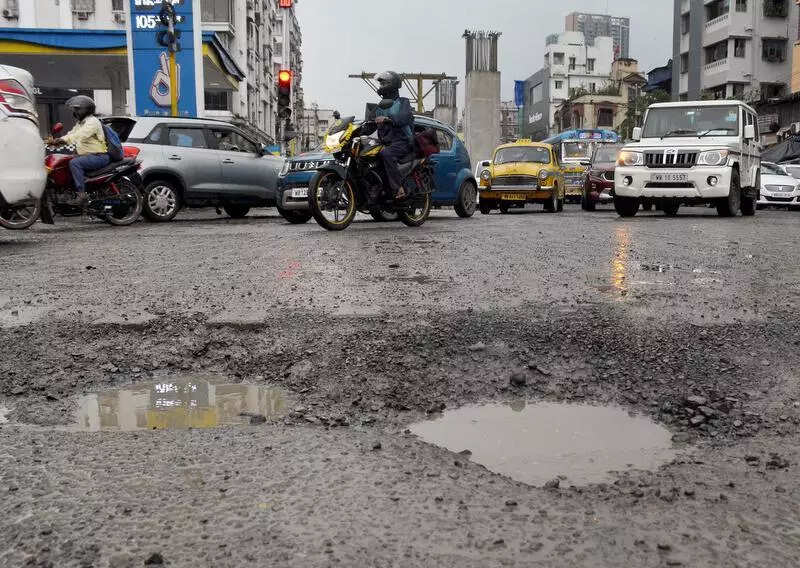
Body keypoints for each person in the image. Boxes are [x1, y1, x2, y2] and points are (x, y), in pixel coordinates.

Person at [49, 95, 109, 206]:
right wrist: (56, 142)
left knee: (75, 163)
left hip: (99, 157)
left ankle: (81, 195)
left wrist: (61, 140)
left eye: (77, 109)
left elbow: (79, 135)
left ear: (85, 109)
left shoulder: (92, 122)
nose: (75, 112)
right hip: (88, 156)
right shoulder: (81, 123)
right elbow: (71, 134)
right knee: (65, 161)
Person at [373, 71, 414, 200]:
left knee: (386, 154)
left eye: (384, 83)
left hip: (402, 141)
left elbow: (404, 117)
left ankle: (398, 188)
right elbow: (370, 122)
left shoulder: (403, 102)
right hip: (386, 142)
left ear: (392, 84)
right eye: (380, 83)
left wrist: (387, 118)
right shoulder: (379, 106)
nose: (381, 85)